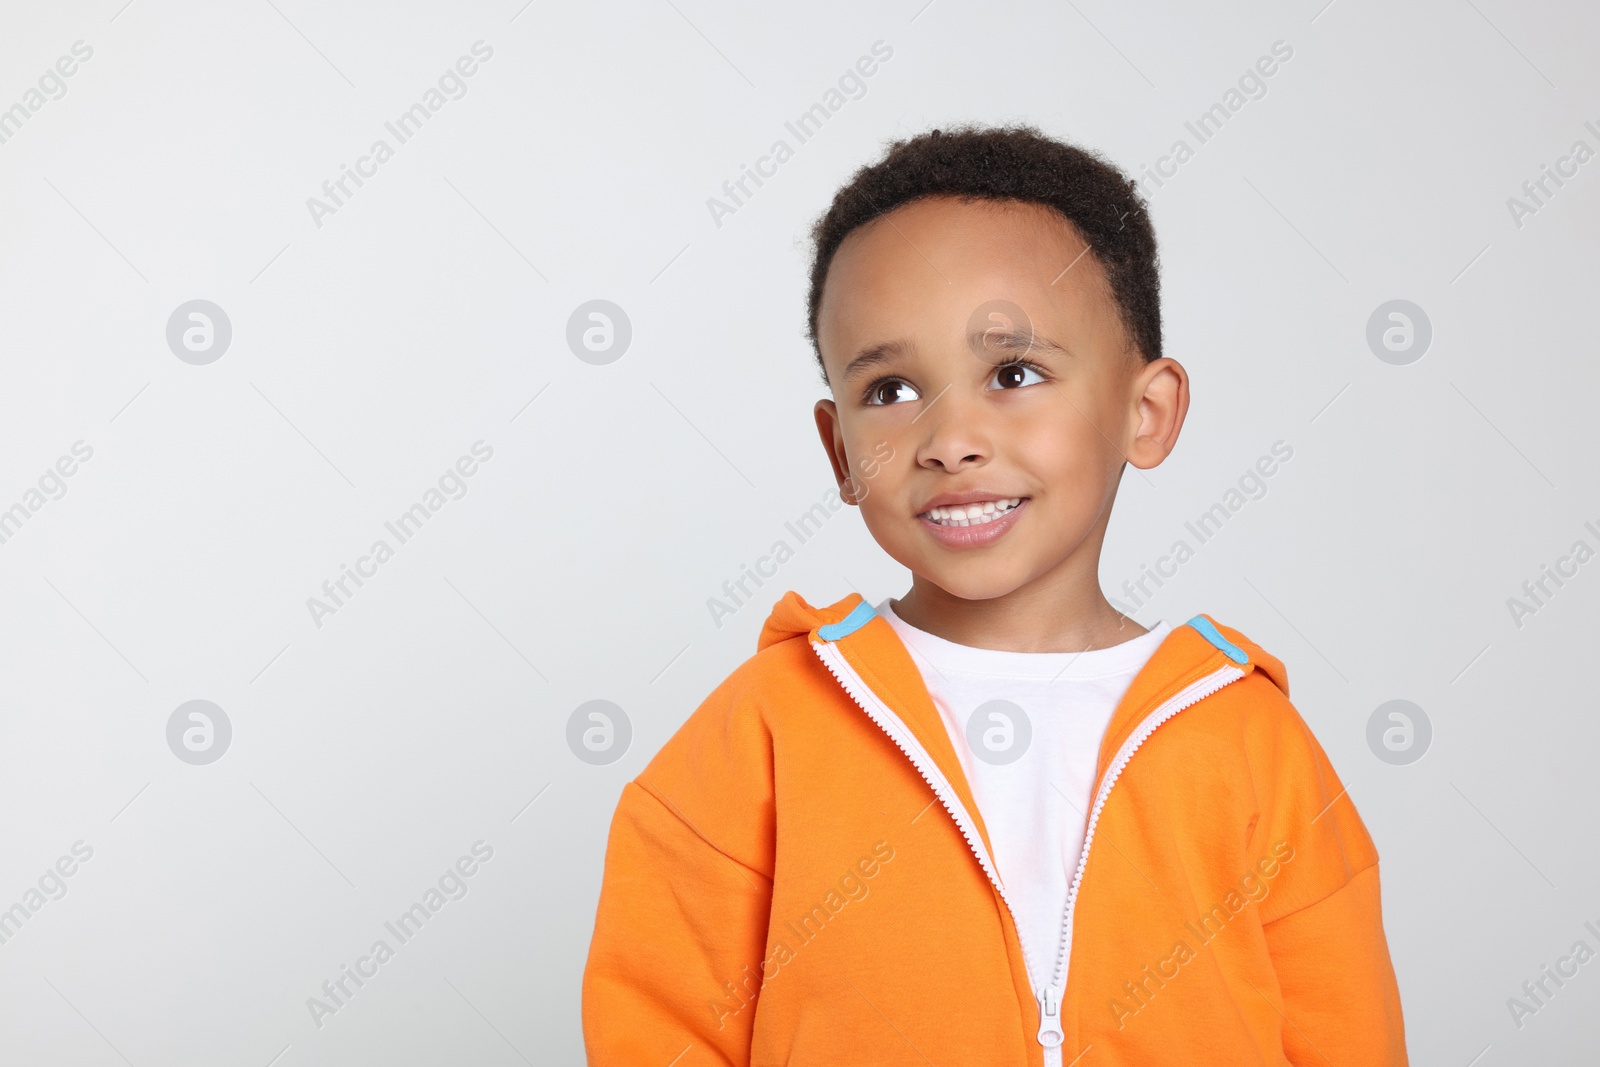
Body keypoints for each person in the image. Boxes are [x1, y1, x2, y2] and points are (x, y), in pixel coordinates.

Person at [582, 124, 1407, 1065]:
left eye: (1014, 373)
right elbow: (661, 1022)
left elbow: (1346, 1034)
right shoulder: (761, 733)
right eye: (891, 389)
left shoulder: (1251, 742)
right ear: (840, 450)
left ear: (1147, 412)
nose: (950, 438)